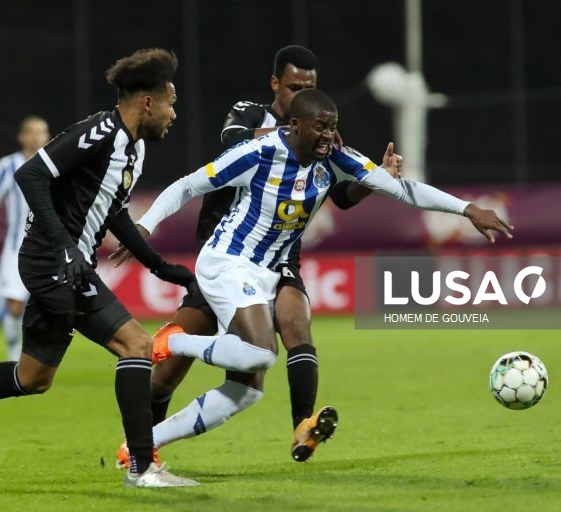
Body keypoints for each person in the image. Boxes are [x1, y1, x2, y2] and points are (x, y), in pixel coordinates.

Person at [117, 88, 512, 465]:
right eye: (320, 127)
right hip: (228, 262)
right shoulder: (259, 153)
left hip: (271, 271)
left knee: (244, 392)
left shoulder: (336, 158)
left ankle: (144, 445)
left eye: (332, 126)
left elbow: (403, 190)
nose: (328, 135)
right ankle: (177, 341)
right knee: (261, 352)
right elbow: (188, 185)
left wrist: (467, 209)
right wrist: (146, 225)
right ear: (295, 126)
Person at [0, 48, 200, 488]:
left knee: (33, 378)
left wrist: (159, 266)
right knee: (136, 345)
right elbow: (31, 175)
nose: (173, 113)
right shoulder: (100, 132)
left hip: (67, 265)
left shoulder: (134, 148)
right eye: (170, 103)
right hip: (51, 262)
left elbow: (113, 213)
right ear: (147, 101)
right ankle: (142, 466)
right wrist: (64, 246)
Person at [114, 45, 376, 468]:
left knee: (289, 341)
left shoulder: (317, 137)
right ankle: (143, 445)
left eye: (309, 88)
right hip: (226, 257)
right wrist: (294, 133)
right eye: (294, 87)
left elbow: (341, 196)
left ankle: (301, 425)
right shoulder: (252, 116)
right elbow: (229, 144)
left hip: (279, 260)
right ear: (276, 84)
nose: (302, 93)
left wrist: (374, 176)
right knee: (168, 373)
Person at [0, 115, 50, 361]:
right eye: (31, 132)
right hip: (18, 245)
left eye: (41, 132)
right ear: (21, 137)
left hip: (52, 245)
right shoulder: (8, 165)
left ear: (47, 136)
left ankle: (44, 355)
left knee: (52, 305)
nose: (36, 136)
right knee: (15, 305)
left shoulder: (57, 163)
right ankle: (12, 357)